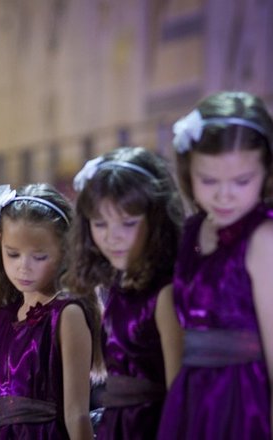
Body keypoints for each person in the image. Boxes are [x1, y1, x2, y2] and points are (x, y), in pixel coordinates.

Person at [157, 91, 273, 439]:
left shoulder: (267, 240)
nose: (224, 195)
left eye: (242, 181)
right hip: (190, 406)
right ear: (188, 171)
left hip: (244, 409)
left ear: (267, 172)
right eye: (209, 181)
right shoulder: (191, 231)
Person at [63, 146, 184, 439]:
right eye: (99, 224)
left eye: (128, 223)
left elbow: (180, 395)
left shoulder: (165, 293)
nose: (112, 237)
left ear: (157, 219)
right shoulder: (119, 286)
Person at [0, 183, 99, 439]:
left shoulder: (66, 314)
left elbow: (77, 414)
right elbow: (2, 414)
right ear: (0, 242)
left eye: (39, 257)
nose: (24, 267)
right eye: (13, 254)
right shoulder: (3, 317)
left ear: (65, 251)